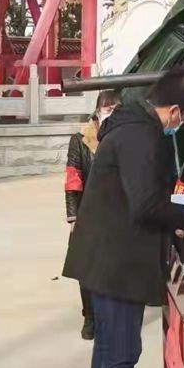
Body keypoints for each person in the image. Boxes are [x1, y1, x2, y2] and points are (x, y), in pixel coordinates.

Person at [63, 67, 184, 368]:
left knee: (108, 342)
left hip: (107, 253)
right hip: (118, 258)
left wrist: (171, 218)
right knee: (120, 347)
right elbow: (145, 204)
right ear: (175, 110)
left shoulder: (128, 125)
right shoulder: (141, 135)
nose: (183, 126)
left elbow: (137, 196)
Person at [64, 89, 121, 340]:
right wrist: (73, 216)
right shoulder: (81, 139)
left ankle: (111, 316)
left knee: (114, 268)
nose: (112, 113)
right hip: (87, 212)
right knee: (86, 267)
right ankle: (90, 316)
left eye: (117, 109)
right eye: (108, 108)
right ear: (98, 111)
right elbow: (72, 179)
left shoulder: (123, 138)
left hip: (117, 214)